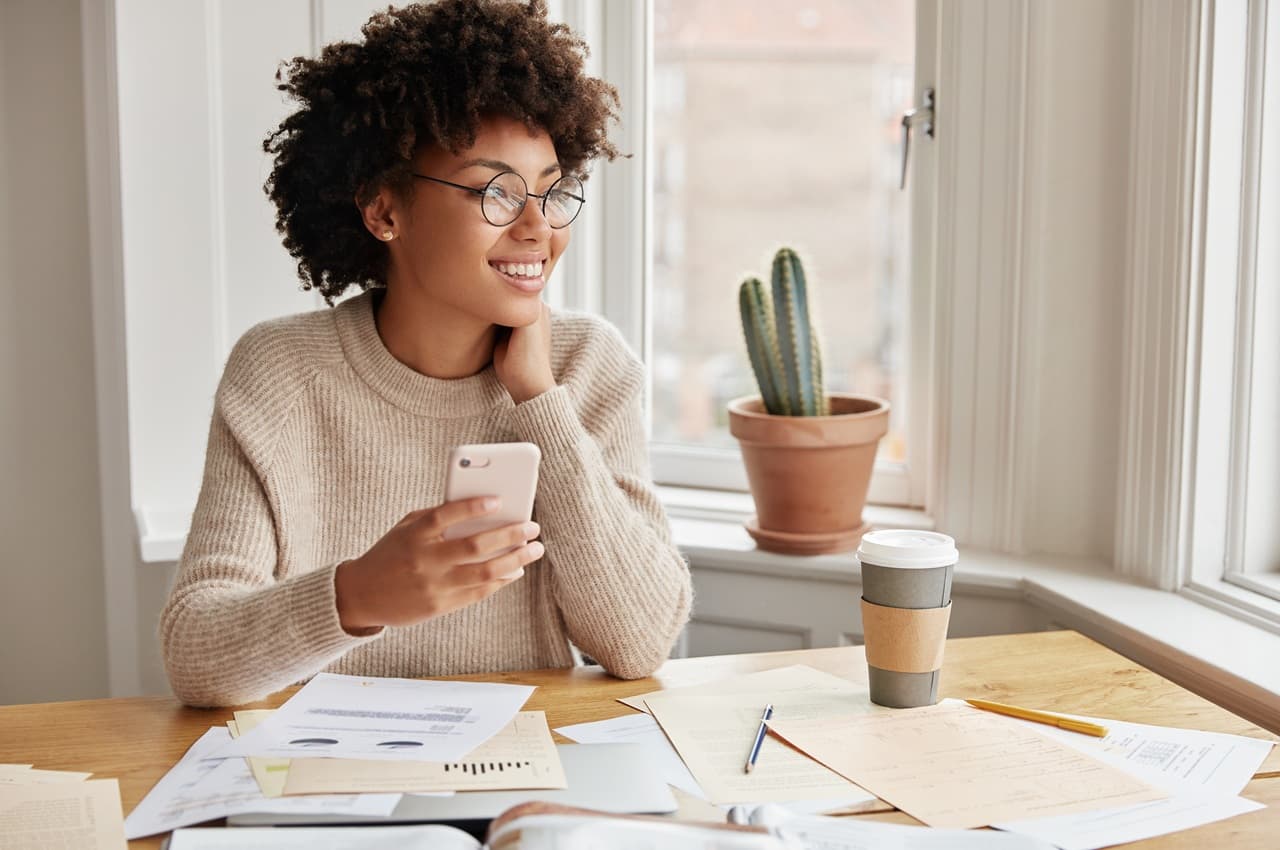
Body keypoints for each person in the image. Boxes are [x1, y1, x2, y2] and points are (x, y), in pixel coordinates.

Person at [160, 0, 692, 707]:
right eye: (495, 192)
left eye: (551, 190)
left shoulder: (588, 366)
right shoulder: (281, 372)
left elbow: (641, 641)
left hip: (522, 780)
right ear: (384, 211)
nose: (539, 227)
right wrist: (360, 594)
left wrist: (540, 402)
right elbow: (197, 657)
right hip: (328, 787)